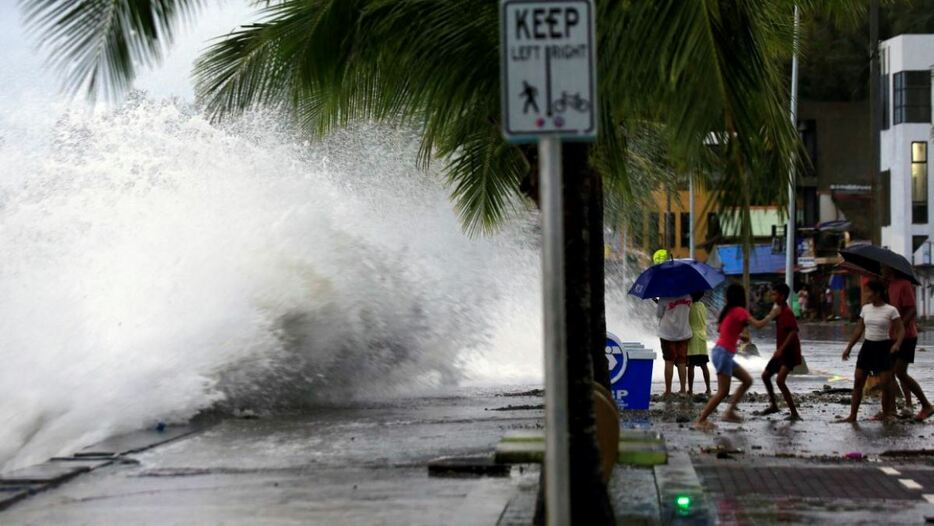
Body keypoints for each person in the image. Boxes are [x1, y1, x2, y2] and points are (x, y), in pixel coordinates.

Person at [695, 284, 772, 429]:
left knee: (747, 380)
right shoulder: (739, 311)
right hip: (723, 354)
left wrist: (739, 336)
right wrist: (772, 314)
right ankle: (701, 420)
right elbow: (759, 325)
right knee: (723, 391)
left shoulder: (727, 311)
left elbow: (722, 330)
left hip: (721, 352)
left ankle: (729, 412)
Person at [837, 280, 904, 423]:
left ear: (878, 293)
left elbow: (901, 329)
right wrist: (849, 347)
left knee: (885, 384)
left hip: (884, 347)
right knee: (858, 382)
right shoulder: (865, 309)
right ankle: (852, 415)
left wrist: (897, 344)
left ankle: (887, 414)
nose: (866, 294)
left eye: (869, 291)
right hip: (867, 347)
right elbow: (859, 329)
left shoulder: (891, 310)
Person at [882, 266, 933, 421]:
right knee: (888, 373)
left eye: (883, 268)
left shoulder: (904, 284)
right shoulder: (889, 285)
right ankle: (889, 410)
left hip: (907, 336)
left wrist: (900, 326)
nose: (882, 270)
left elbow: (911, 309)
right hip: (891, 335)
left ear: (891, 269)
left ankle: (926, 405)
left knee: (899, 372)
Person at [757, 282, 802, 420]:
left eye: (775, 294)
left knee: (780, 380)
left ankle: (794, 413)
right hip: (780, 352)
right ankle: (774, 405)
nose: (772, 296)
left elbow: (793, 332)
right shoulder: (778, 310)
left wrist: (781, 350)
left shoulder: (787, 312)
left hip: (788, 352)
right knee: (765, 376)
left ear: (782, 296)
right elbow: (767, 319)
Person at [657, 294, 693, 397]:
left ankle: (668, 391)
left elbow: (659, 314)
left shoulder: (664, 297)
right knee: (682, 361)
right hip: (683, 333)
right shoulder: (688, 297)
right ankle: (683, 390)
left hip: (667, 334)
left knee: (669, 361)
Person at [687, 291, 711, 396]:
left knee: (691, 365)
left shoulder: (689, 306)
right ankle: (708, 388)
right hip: (702, 337)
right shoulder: (702, 306)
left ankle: (691, 390)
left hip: (692, 337)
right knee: (704, 365)